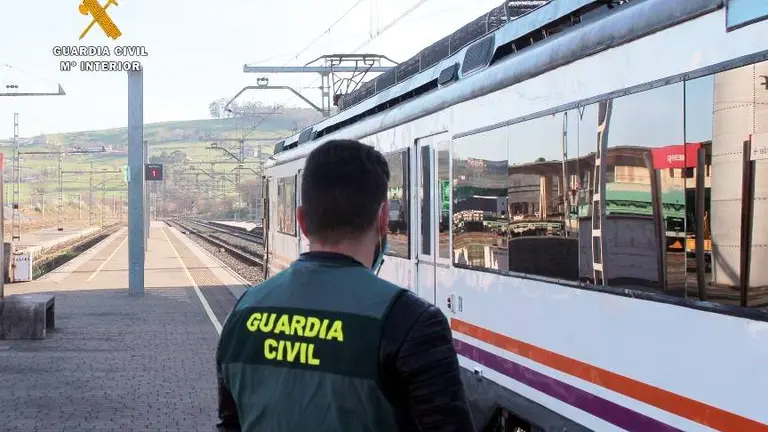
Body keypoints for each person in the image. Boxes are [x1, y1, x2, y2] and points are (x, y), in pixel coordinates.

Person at [216, 139, 475, 432]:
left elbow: (230, 423)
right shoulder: (412, 322)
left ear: (301, 220)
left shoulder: (243, 313)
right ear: (382, 218)